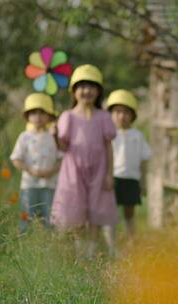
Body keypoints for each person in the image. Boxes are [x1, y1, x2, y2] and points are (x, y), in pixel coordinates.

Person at [50, 64, 118, 257]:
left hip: (99, 168)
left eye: (91, 86)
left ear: (99, 91)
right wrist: (55, 136)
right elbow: (63, 147)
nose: (86, 91)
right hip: (74, 170)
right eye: (81, 86)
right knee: (76, 206)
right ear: (74, 91)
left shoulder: (104, 116)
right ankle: (80, 248)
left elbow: (108, 146)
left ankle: (92, 250)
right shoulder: (68, 116)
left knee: (97, 207)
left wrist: (109, 173)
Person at [10, 93, 61, 233]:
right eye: (33, 113)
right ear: (28, 116)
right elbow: (16, 159)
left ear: (49, 116)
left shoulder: (54, 137)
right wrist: (30, 170)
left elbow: (61, 159)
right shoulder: (24, 137)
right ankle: (24, 242)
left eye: (42, 113)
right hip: (29, 184)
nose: (38, 117)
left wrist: (52, 170)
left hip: (50, 185)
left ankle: (49, 245)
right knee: (27, 216)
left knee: (50, 217)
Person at [106, 89, 151, 241]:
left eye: (126, 112)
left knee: (129, 212)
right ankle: (111, 244)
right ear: (110, 114)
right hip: (114, 177)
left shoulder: (138, 136)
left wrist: (143, 182)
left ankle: (132, 241)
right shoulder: (108, 135)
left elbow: (144, 160)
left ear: (132, 115)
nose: (122, 116)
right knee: (110, 212)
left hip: (132, 178)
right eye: (117, 111)